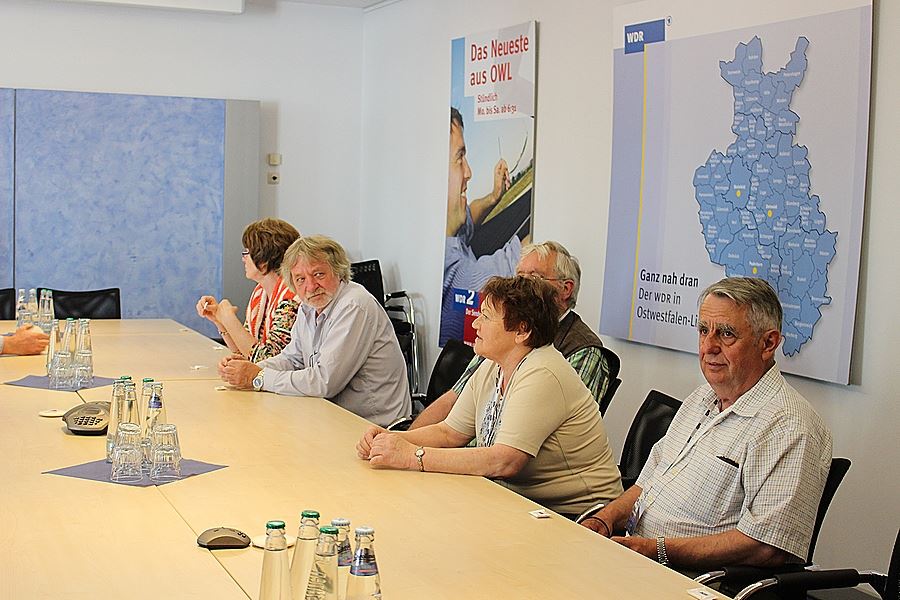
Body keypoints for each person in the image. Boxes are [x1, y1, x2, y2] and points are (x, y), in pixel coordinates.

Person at [581, 277, 832, 571]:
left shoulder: (789, 426)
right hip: (640, 557)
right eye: (703, 330)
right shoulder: (701, 398)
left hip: (695, 579)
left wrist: (655, 550)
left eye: (726, 334)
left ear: (768, 343)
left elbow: (765, 547)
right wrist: (605, 518)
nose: (709, 346)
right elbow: (647, 485)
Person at [357, 276, 623, 517]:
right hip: (521, 503)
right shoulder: (493, 365)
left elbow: (504, 461)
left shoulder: (543, 372)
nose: (475, 323)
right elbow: (449, 433)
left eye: (485, 317)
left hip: (580, 517)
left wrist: (412, 456)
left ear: (522, 331)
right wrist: (389, 439)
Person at [217, 235, 411, 427]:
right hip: (333, 416)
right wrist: (249, 369)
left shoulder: (354, 305)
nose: (310, 286)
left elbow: (324, 382)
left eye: (319, 274)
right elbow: (292, 359)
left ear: (339, 271)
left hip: (373, 426)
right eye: (300, 279)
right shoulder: (308, 306)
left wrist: (258, 377)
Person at [414, 240, 609, 429]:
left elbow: (549, 430)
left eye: (534, 277)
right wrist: (404, 439)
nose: (521, 285)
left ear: (565, 289)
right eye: (519, 276)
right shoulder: (502, 334)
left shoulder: (584, 349)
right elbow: (454, 398)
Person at [441, 107, 526, 346]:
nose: (468, 172)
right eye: (459, 157)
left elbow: (468, 217)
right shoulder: (455, 276)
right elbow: (519, 263)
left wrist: (494, 197)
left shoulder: (449, 234)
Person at [197, 218, 300, 362]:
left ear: (263, 261)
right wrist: (219, 320)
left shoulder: (290, 300)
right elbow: (243, 352)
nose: (243, 259)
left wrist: (229, 319)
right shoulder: (260, 293)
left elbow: (266, 360)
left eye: (247, 252)